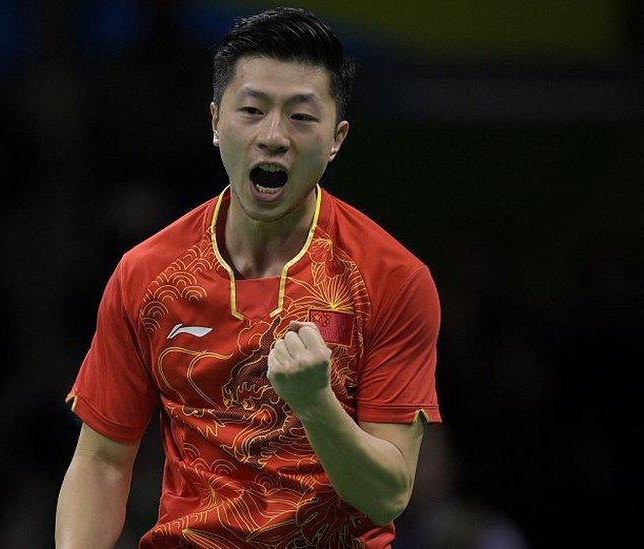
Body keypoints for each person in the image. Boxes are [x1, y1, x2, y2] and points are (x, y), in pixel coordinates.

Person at [56, 7, 441, 548]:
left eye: (302, 117)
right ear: (215, 122)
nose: (273, 137)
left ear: (337, 138)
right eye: (253, 110)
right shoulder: (147, 274)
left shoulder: (392, 279)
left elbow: (388, 494)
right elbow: (101, 463)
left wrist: (315, 404)